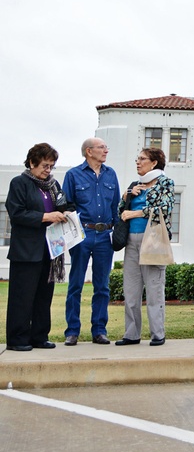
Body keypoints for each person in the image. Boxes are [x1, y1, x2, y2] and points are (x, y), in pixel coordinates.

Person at [4, 143, 68, 351]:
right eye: (44, 165)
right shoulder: (19, 183)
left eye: (51, 166)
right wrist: (45, 217)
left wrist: (66, 213)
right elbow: (17, 214)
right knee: (22, 297)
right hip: (26, 250)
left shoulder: (53, 185)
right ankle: (18, 339)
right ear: (32, 162)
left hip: (50, 249)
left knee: (43, 296)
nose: (48, 170)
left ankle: (40, 336)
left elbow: (64, 204)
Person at [62, 137, 120, 345]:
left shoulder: (111, 174)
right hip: (82, 235)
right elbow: (66, 206)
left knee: (102, 286)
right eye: (102, 147)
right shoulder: (73, 175)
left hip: (105, 236)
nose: (106, 151)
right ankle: (72, 331)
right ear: (89, 151)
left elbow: (116, 206)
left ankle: (99, 330)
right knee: (76, 284)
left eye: (106, 147)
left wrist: (116, 230)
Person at [115, 148, 175, 346]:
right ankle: (131, 334)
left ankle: (158, 334)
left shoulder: (165, 182)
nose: (138, 162)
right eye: (137, 159)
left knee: (154, 289)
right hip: (131, 240)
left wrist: (135, 213)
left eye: (142, 159)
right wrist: (126, 197)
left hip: (154, 240)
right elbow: (119, 212)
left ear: (154, 163)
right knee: (131, 290)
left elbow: (164, 209)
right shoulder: (135, 185)